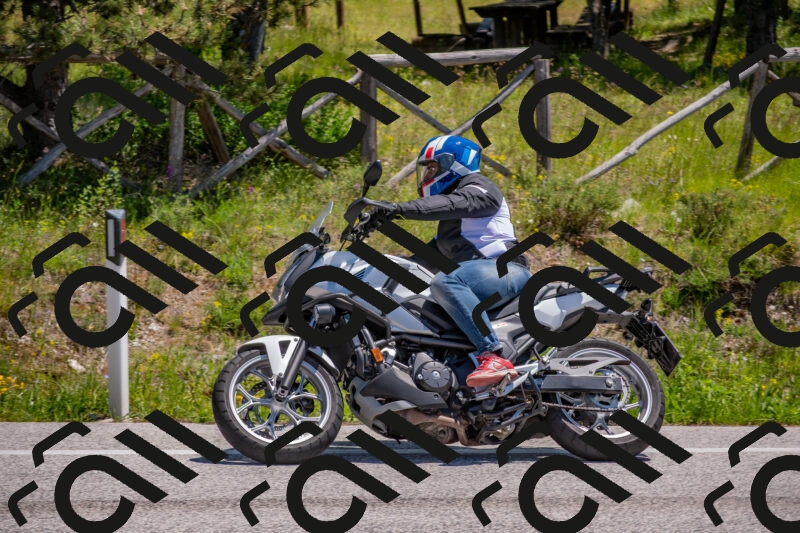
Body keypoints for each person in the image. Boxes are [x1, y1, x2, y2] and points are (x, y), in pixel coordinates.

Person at [364, 135, 532, 388]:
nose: (427, 175)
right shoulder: (452, 229)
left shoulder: (480, 189)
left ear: (453, 164)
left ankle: (492, 355)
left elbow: (451, 203)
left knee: (446, 282)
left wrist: (398, 209)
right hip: (476, 274)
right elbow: (419, 262)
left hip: (507, 270)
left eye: (432, 168)